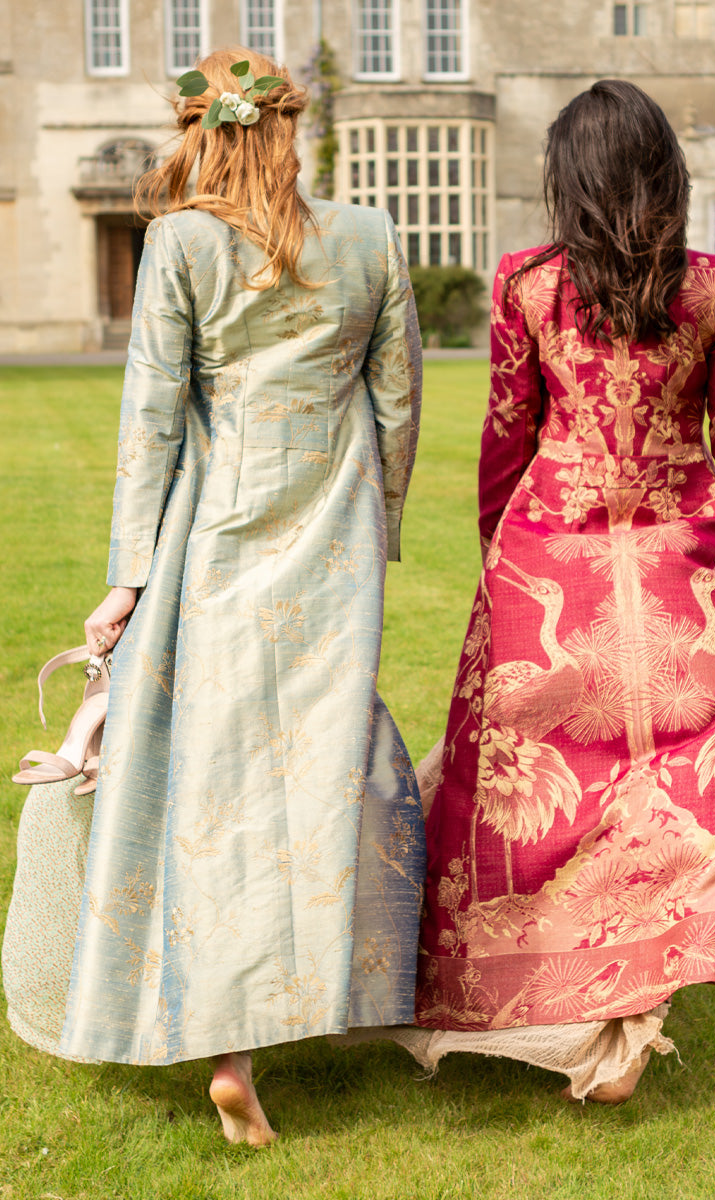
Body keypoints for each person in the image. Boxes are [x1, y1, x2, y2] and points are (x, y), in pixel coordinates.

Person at [3, 48, 425, 1145]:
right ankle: (308, 999)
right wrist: (375, 525)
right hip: (331, 545)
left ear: (202, 133)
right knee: (316, 778)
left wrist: (127, 576)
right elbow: (396, 406)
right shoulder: (369, 237)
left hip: (215, 542)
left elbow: (150, 418)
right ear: (287, 130)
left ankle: (230, 1043)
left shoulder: (179, 242)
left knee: (213, 783)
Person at [407, 79, 715, 1102]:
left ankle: (537, 987)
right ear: (664, 169)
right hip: (676, 565)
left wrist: (495, 542)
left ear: (565, 177)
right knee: (682, 791)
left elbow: (503, 435)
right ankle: (630, 1017)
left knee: (524, 804)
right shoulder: (711, 289)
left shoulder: (525, 283)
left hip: (546, 565)